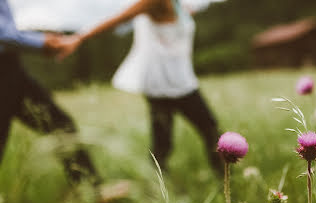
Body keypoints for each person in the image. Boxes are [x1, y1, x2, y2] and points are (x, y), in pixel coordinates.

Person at [57, 0, 222, 173]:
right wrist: (78, 38)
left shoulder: (176, 4)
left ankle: (220, 179)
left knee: (197, 134)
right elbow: (118, 19)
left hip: (180, 80)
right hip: (163, 84)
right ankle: (166, 188)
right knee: (200, 133)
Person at [0, 0, 105, 188]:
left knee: (60, 125)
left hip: (10, 68)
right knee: (60, 125)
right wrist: (43, 42)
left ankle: (91, 191)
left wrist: (42, 41)